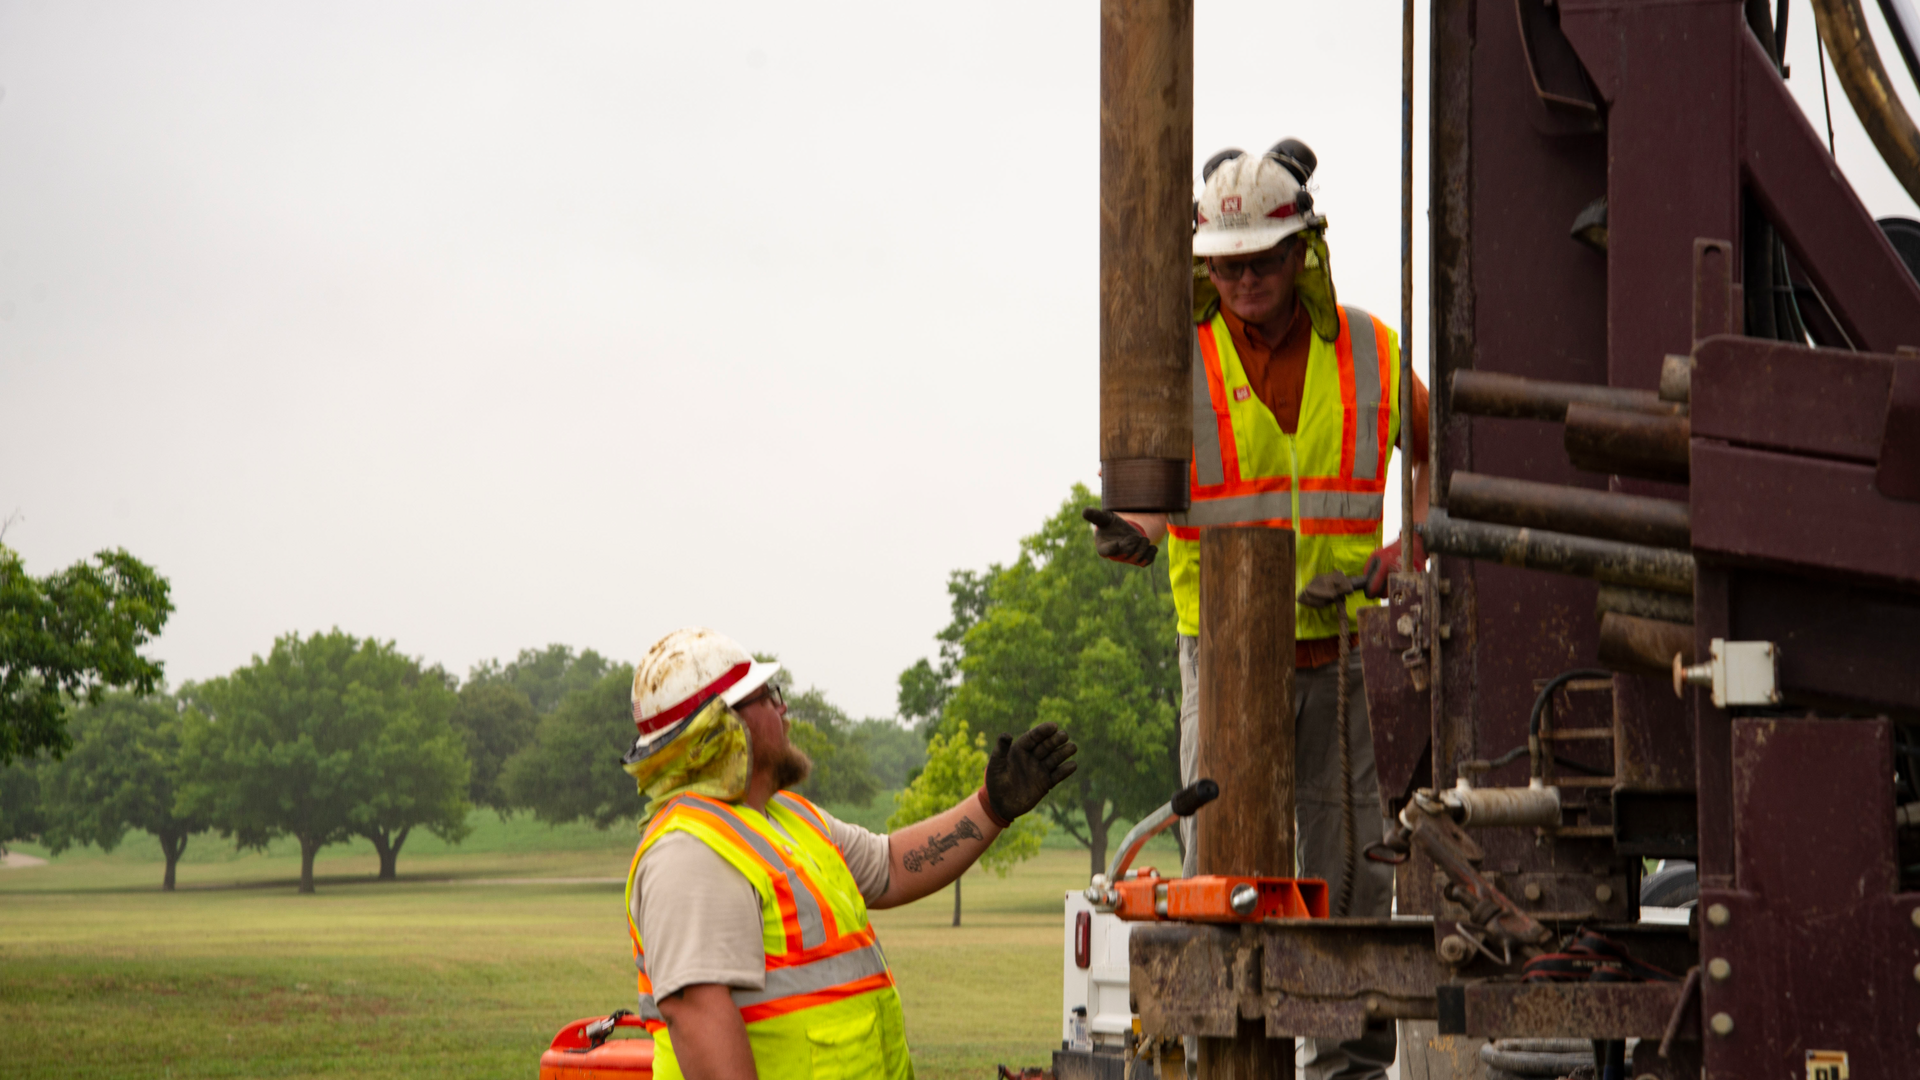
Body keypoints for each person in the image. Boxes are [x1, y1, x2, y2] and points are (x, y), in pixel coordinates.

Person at [1083, 141, 1429, 1080]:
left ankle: (1347, 1069)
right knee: (1219, 880)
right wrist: (1133, 529)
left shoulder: (1369, 349)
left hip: (1344, 657)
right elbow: (1150, 494)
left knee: (1353, 878)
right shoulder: (1175, 360)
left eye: (1262, 261)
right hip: (1226, 666)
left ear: (1303, 253)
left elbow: (1443, 451)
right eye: (1227, 265)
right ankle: (1223, 1059)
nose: (1243, 280)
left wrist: (1410, 550)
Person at [621, 627, 1078, 1080]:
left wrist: (991, 808)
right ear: (723, 728)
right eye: (766, 696)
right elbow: (699, 1018)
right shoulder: (691, 853)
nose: (784, 708)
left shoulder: (788, 818)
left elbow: (894, 865)